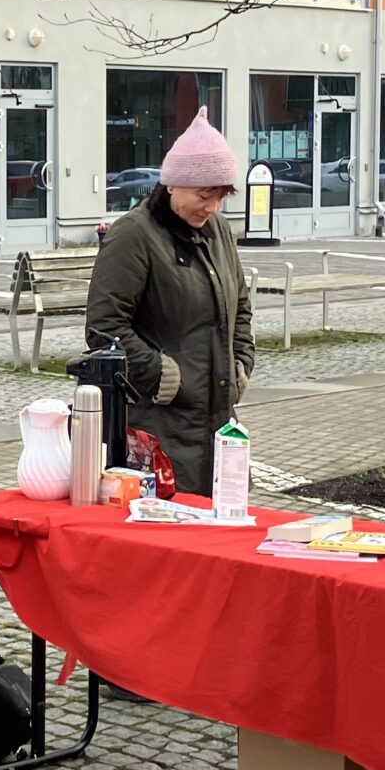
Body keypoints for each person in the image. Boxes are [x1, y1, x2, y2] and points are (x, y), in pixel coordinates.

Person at [85, 107, 254, 497]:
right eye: (204, 196)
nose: (213, 207)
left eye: (221, 196)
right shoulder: (134, 235)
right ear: (173, 185)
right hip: (159, 430)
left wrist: (240, 366)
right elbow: (104, 328)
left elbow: (240, 308)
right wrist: (163, 376)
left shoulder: (218, 231)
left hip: (218, 427)